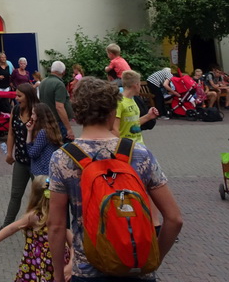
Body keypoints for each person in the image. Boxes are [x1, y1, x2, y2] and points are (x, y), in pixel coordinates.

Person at [47, 77, 183, 282]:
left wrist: (58, 275)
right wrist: (153, 260)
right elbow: (174, 219)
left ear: (77, 112)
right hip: (136, 267)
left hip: (88, 269)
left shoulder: (62, 158)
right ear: (112, 111)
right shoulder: (139, 153)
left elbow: (56, 226)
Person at [0, 175, 72, 282]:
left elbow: (11, 228)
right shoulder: (47, 216)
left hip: (44, 266)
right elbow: (75, 244)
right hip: (41, 266)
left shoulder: (40, 216)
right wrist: (70, 265)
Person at [0, 82, 35, 237]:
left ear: (28, 97)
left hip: (37, 161)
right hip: (21, 160)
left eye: (19, 96)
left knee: (41, 196)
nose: (16, 98)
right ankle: (7, 226)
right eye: (16, 95)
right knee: (15, 194)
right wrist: (9, 153)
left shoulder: (38, 111)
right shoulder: (15, 110)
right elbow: (11, 133)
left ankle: (42, 225)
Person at [111, 71, 158, 143]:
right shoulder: (119, 102)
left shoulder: (132, 100)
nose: (140, 87)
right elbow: (115, 128)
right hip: (126, 147)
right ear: (136, 85)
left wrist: (148, 116)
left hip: (138, 144)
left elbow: (133, 123)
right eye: (139, 84)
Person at [38, 62, 75, 142]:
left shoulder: (43, 82)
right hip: (58, 122)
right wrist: (69, 128)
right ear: (63, 72)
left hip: (46, 120)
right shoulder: (59, 84)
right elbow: (59, 107)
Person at [27, 104, 62, 177]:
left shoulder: (43, 133)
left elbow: (32, 153)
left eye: (33, 114)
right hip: (49, 169)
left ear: (39, 116)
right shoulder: (51, 129)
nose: (31, 117)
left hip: (42, 171)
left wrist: (29, 132)